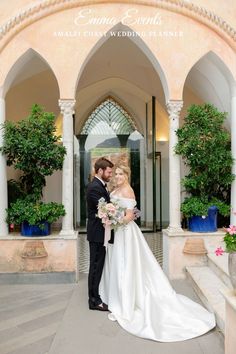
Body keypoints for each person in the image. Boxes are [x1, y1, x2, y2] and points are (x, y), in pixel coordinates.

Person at [99, 164, 216, 342]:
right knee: (117, 262)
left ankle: (127, 299)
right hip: (117, 232)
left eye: (121, 173)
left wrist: (113, 218)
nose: (118, 176)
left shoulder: (128, 191)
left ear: (127, 175)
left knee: (126, 263)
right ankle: (118, 295)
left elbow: (130, 216)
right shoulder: (115, 189)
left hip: (125, 232)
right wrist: (107, 216)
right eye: (116, 173)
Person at [86, 157, 114, 311]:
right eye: (109, 172)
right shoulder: (95, 187)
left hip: (100, 232)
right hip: (97, 233)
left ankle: (95, 297)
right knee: (95, 266)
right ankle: (94, 301)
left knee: (98, 265)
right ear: (100, 171)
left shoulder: (100, 185)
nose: (110, 175)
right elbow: (104, 209)